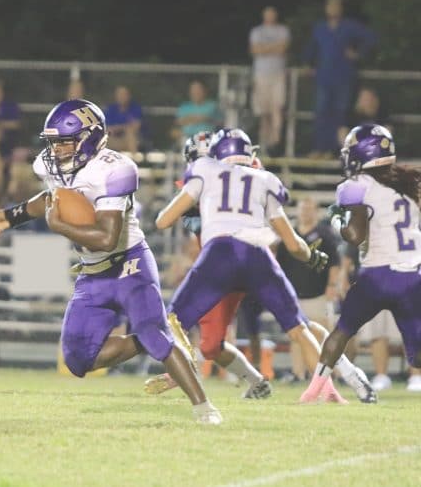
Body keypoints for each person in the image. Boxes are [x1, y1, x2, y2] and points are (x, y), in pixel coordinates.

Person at [0, 99, 222, 424]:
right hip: (93, 273)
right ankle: (149, 339)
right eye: (53, 142)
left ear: (90, 137)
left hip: (129, 263)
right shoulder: (52, 165)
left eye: (65, 141)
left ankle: (204, 407)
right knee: (77, 359)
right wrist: (12, 216)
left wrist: (59, 226)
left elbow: (108, 237)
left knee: (153, 331)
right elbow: (53, 198)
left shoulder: (114, 169)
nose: (57, 150)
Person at [154, 128, 375, 403]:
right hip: (251, 260)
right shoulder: (259, 177)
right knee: (222, 343)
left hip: (218, 260)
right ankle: (291, 385)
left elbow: (163, 221)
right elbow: (288, 238)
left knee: (173, 321)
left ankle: (349, 374)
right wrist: (307, 255)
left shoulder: (206, 174)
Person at [146, 131, 272, 399]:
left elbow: (167, 219)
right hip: (226, 272)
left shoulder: (237, 180)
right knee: (212, 345)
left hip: (232, 266)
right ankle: (257, 382)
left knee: (173, 318)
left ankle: (181, 371)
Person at [301, 124, 421, 402]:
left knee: (342, 331)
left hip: (378, 275)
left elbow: (354, 236)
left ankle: (313, 391)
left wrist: (336, 219)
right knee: (417, 356)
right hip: (412, 277)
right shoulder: (409, 183)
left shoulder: (356, 185)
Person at [276, 197, 342, 382]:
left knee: (322, 334)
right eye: (302, 208)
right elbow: (280, 265)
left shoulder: (325, 234)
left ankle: (328, 374)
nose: (305, 212)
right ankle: (298, 373)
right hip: (294, 294)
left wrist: (331, 286)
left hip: (318, 293)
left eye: (309, 209)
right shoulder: (290, 235)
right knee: (296, 335)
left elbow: (335, 263)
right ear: (297, 211)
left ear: (316, 212)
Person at [303, 0, 376, 158]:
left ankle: (334, 150)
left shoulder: (349, 26)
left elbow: (370, 38)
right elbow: (311, 48)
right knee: (321, 113)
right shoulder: (320, 28)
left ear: (341, 9)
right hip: (324, 77)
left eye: (336, 6)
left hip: (343, 77)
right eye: (330, 6)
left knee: (339, 114)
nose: (333, 9)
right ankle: (318, 148)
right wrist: (308, 64)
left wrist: (357, 53)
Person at [249, 6, 290, 154]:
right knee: (263, 111)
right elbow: (255, 50)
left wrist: (264, 48)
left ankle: (276, 141)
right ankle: (264, 142)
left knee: (277, 107)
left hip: (278, 74)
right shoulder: (257, 31)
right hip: (261, 74)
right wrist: (274, 47)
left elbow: (283, 48)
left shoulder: (283, 30)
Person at [104, 86, 143, 153]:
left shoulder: (135, 108)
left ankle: (133, 160)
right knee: (104, 138)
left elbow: (136, 127)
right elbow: (107, 129)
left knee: (130, 134)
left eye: (124, 94)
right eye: (119, 94)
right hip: (114, 140)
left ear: (129, 96)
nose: (121, 97)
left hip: (133, 140)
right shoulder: (111, 109)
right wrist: (124, 127)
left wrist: (117, 128)